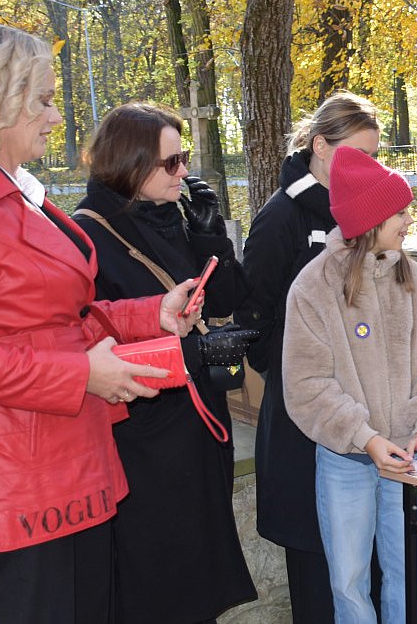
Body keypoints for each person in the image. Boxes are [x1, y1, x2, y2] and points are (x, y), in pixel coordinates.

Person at [0, 25, 197, 623]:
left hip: (63, 455)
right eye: (41, 100)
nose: (55, 116)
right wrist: (81, 375)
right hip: (20, 472)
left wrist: (150, 315)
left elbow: (61, 317)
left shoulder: (15, 194)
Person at [72, 103, 258, 623]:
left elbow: (228, 299)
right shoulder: (89, 234)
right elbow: (92, 342)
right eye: (171, 163)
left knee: (200, 586)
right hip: (144, 442)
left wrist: (208, 233)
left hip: (197, 426)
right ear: (131, 165)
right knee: (158, 587)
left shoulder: (167, 218)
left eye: (184, 160)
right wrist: (192, 352)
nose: (184, 173)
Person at [282, 146, 417, 623]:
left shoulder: (412, 278)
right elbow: (307, 385)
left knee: (410, 573)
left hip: (408, 457)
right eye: (398, 211)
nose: (408, 218)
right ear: (369, 220)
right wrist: (366, 437)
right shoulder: (313, 287)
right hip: (346, 460)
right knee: (348, 582)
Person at [234, 90, 382, 622]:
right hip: (305, 414)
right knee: (319, 561)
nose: (367, 168)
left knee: (364, 556)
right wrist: (308, 374)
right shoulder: (281, 220)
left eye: (374, 157)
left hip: (362, 408)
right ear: (320, 146)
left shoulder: (363, 213)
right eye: (357, 155)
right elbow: (257, 319)